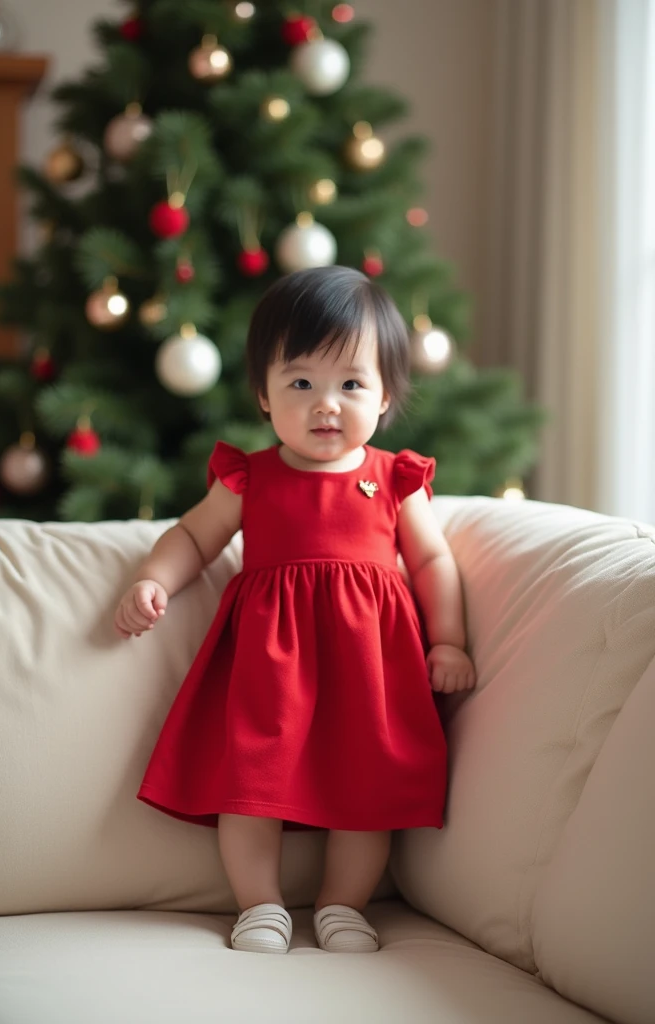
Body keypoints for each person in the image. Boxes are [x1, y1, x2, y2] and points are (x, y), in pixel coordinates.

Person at [114, 265, 476, 955]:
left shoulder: (395, 479)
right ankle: (261, 906)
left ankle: (343, 905)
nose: (325, 404)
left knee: (367, 790)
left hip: (369, 668)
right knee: (250, 787)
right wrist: (153, 579)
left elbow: (432, 562)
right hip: (269, 669)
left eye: (350, 384)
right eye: (300, 382)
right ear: (264, 394)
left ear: (386, 394)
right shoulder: (250, 477)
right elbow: (193, 535)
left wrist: (450, 642)